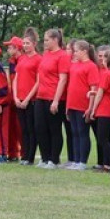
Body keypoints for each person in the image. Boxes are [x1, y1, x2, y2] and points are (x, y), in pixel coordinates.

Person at [34, 29, 70, 169]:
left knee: (54, 129)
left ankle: (54, 160)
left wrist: (56, 100)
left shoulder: (62, 56)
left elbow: (63, 79)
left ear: (55, 40)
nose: (45, 43)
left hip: (53, 97)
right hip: (41, 96)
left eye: (47, 40)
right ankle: (44, 157)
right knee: (40, 127)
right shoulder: (46, 54)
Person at [65, 40, 100, 171]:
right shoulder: (74, 66)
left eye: (76, 50)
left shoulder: (91, 66)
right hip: (72, 104)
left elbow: (93, 88)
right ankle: (76, 159)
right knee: (74, 132)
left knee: (82, 132)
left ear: (84, 51)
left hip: (83, 105)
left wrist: (90, 108)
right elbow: (71, 87)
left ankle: (82, 161)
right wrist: (68, 106)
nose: (74, 53)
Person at [90, 50, 110, 173]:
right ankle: (108, 164)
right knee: (106, 137)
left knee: (102, 138)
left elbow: (101, 93)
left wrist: (93, 109)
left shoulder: (106, 74)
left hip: (104, 108)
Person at [13, 29, 41, 165]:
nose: (25, 46)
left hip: (31, 100)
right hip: (19, 98)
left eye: (27, 43)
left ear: (34, 44)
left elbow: (38, 81)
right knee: (23, 129)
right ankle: (24, 155)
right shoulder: (21, 58)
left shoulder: (38, 59)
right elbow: (16, 78)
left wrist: (28, 99)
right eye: (23, 43)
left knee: (31, 128)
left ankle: (30, 156)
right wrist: (16, 97)